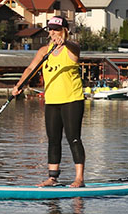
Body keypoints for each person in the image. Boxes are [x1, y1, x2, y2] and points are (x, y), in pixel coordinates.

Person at [13, 15, 85, 187]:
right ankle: (52, 177)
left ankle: (79, 178)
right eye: (51, 29)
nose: (53, 33)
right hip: (52, 100)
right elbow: (31, 68)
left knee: (73, 138)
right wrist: (19, 85)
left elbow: (76, 49)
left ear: (65, 31)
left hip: (72, 100)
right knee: (53, 139)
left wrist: (65, 42)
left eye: (57, 29)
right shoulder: (44, 51)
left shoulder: (71, 49)